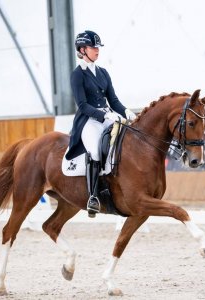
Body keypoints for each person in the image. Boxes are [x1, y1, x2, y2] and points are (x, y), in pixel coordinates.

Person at [65, 30, 136, 217]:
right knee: (95, 151)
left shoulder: (103, 72)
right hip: (88, 121)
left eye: (98, 47)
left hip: (108, 115)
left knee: (123, 142)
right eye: (93, 47)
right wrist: (105, 117)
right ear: (82, 49)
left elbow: (113, 100)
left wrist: (128, 112)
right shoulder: (77, 75)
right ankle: (93, 197)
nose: (97, 51)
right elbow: (82, 105)